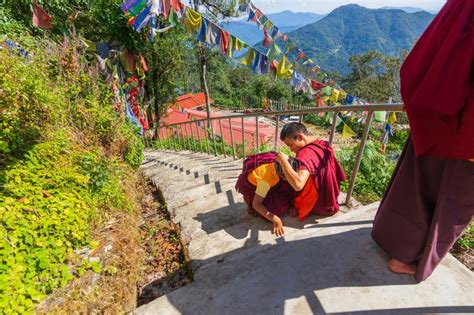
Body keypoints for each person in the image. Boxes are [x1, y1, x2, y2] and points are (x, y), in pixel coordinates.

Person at [371, 0, 474, 282]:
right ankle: (405, 258)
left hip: (434, 110)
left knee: (414, 190)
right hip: (464, 131)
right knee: (454, 203)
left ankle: (394, 245)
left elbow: (425, 56)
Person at [276, 123, 346, 217]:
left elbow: (298, 185)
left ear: (300, 137)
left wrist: (283, 161)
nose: (291, 149)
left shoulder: (305, 154)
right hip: (330, 198)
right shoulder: (321, 143)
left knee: (281, 187)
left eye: (291, 145)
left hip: (319, 205)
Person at [235, 152, 299, 236]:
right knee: (277, 209)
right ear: (283, 177)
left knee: (289, 190)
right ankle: (249, 203)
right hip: (256, 188)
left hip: (269, 182)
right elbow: (256, 204)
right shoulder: (265, 182)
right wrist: (276, 220)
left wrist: (291, 205)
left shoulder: (282, 159)